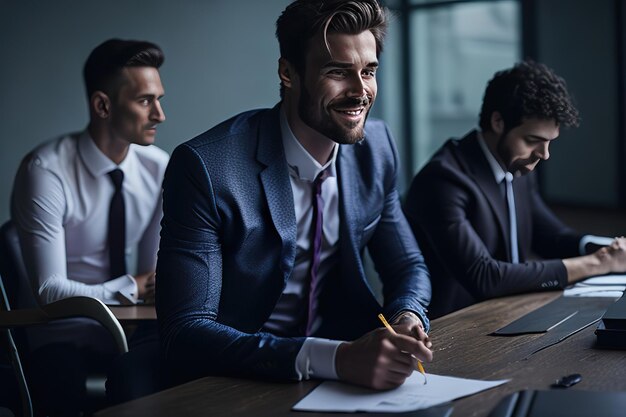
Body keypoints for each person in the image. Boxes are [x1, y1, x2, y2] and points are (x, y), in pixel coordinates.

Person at [157, 0, 432, 391]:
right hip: (235, 380)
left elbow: (407, 265)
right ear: (288, 72)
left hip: (347, 379)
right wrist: (332, 359)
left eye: (368, 72)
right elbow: (184, 331)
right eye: (338, 72)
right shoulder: (205, 167)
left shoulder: (378, 147)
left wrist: (407, 318)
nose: (360, 92)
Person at [11, 38, 168, 415]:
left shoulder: (158, 167)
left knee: (175, 371)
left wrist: (151, 285)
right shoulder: (46, 172)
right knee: (59, 386)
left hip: (131, 331)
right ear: (102, 105)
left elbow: (153, 277)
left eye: (160, 99)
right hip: (60, 334)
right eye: (146, 100)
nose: (160, 114)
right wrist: (130, 287)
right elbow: (50, 290)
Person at [404, 60, 626, 318]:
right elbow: (485, 277)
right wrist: (600, 262)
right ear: (498, 122)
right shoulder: (443, 180)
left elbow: (551, 237)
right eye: (533, 141)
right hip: (452, 331)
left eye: (549, 143)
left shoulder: (517, 165)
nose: (544, 155)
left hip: (511, 315)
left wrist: (609, 248)